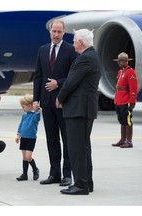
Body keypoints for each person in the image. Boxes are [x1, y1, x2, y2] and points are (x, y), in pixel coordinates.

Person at [56, 29, 101, 195]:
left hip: (78, 109)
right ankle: (86, 182)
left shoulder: (84, 58)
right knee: (83, 147)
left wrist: (59, 98)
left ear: (81, 42)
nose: (73, 43)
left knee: (77, 149)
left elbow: (70, 83)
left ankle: (81, 185)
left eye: (75, 41)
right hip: (84, 109)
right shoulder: (92, 56)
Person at [33, 19, 78, 187]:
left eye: (59, 32)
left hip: (63, 101)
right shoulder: (43, 50)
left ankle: (67, 174)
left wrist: (58, 83)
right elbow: (38, 76)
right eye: (54, 31)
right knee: (51, 139)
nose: (56, 34)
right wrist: (36, 99)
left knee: (66, 139)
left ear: (64, 33)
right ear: (49, 32)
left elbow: (75, 75)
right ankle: (54, 173)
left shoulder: (70, 50)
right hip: (46, 102)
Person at [111, 52, 138, 148]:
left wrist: (132, 101)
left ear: (125, 61)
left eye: (120, 61)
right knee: (121, 119)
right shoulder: (120, 72)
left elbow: (133, 88)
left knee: (127, 120)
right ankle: (123, 139)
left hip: (126, 100)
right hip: (119, 99)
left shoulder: (130, 72)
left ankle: (129, 141)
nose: (118, 63)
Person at [15, 94, 40, 181]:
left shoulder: (34, 115)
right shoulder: (24, 115)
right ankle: (24, 174)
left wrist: (37, 111)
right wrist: (18, 135)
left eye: (23, 106)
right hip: (24, 138)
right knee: (24, 157)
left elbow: (37, 118)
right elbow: (21, 125)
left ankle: (35, 169)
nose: (22, 108)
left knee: (28, 157)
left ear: (29, 106)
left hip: (31, 139)